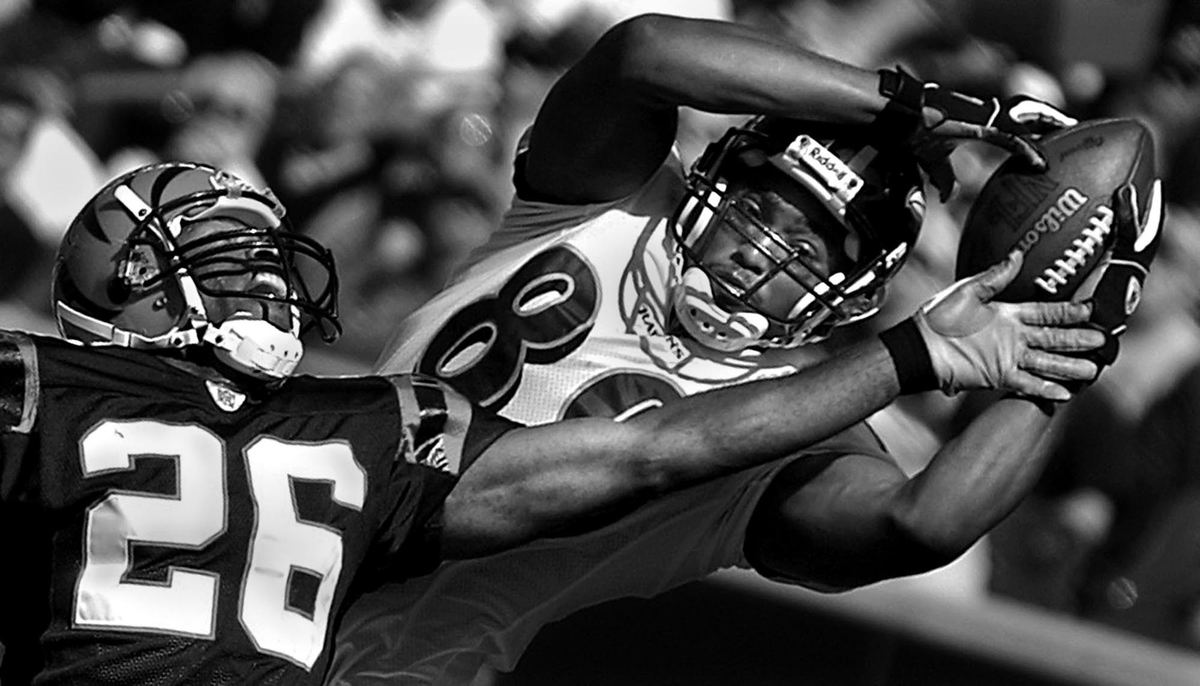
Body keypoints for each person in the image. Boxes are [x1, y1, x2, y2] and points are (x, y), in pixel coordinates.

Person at [0, 158, 1107, 685]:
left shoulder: (40, 387)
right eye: (225, 255)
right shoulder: (371, 425)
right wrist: (915, 351)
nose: (261, 280)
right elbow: (648, 449)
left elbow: (660, 450)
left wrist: (921, 351)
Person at [329, 13, 1164, 685]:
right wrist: (905, 103)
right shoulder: (603, 206)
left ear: (859, 291)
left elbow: (925, 521)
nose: (761, 255)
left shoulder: (793, 411)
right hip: (245, 586)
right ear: (715, 177)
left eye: (810, 250)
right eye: (760, 212)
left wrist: (1076, 341)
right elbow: (645, 50)